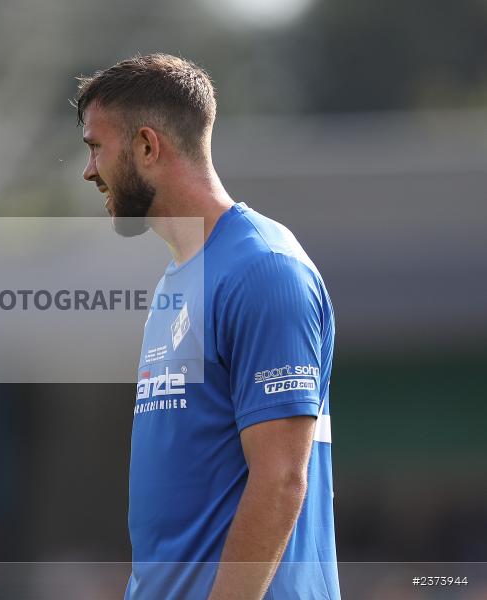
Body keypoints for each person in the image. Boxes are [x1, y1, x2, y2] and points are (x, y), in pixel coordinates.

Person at [75, 54, 340, 599]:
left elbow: (280, 481)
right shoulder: (178, 280)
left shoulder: (264, 270)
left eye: (96, 147)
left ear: (147, 147)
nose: (89, 170)